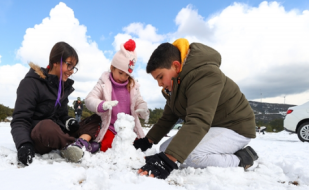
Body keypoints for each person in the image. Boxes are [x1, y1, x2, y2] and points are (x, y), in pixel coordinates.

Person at [134, 38, 259, 179]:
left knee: (191, 156)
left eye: (161, 77)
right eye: (156, 80)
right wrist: (147, 140)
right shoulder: (175, 86)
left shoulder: (205, 74)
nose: (159, 84)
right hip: (212, 127)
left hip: (235, 128)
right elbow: (168, 118)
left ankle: (241, 159)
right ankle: (218, 152)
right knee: (165, 149)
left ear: (176, 66)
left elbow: (199, 119)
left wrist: (166, 161)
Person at [11, 42, 101, 165]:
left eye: (73, 67)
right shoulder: (31, 83)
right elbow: (20, 120)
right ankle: (75, 145)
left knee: (97, 118)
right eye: (69, 65)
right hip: (39, 136)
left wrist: (69, 122)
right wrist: (24, 144)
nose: (71, 71)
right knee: (47, 126)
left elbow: (61, 116)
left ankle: (77, 144)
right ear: (55, 62)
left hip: (57, 133)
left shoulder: (62, 87)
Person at [85, 39, 149, 152]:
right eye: (120, 73)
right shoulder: (104, 83)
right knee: (108, 146)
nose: (123, 77)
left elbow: (139, 100)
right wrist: (101, 104)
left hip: (129, 129)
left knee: (134, 148)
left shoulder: (133, 86)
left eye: (127, 75)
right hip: (111, 127)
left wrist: (143, 108)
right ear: (112, 67)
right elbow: (90, 99)